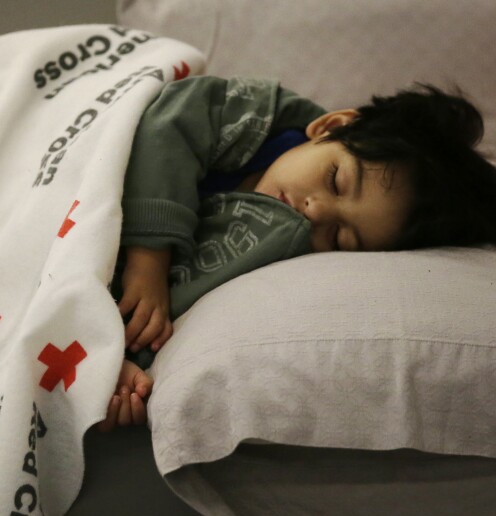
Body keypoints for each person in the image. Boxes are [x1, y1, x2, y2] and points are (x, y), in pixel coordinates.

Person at [97, 76, 496, 431]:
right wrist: (148, 258)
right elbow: (169, 124)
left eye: (341, 237)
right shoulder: (254, 117)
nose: (317, 211)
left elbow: (178, 298)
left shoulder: (282, 246)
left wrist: (119, 361)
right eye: (335, 180)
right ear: (331, 127)